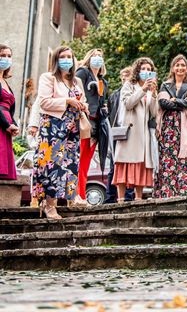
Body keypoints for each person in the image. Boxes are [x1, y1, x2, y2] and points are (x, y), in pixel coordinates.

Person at [32, 46, 88, 218]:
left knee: (71, 164)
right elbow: (44, 102)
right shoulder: (48, 78)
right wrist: (67, 101)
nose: (67, 60)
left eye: (69, 56)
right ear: (56, 60)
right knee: (52, 165)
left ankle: (71, 199)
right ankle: (49, 205)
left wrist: (82, 106)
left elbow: (83, 100)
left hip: (72, 128)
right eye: (63, 57)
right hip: (53, 127)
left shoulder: (77, 81)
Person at [113, 57, 158, 202]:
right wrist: (143, 90)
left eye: (149, 70)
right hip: (130, 132)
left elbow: (154, 112)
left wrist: (154, 94)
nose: (146, 72)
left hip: (143, 133)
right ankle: (120, 199)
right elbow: (128, 104)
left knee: (140, 164)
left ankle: (138, 199)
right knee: (124, 163)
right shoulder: (128, 85)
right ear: (137, 70)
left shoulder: (150, 90)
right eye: (143, 69)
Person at [154, 54, 187, 198]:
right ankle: (167, 192)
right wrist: (182, 102)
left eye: (183, 65)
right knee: (167, 156)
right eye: (177, 65)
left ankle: (185, 191)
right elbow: (163, 103)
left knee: (186, 158)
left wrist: (175, 101)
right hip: (168, 127)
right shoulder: (165, 85)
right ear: (173, 68)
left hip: (185, 126)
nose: (180, 68)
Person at [75, 49, 109, 203]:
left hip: (96, 125)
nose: (97, 59)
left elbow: (101, 102)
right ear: (89, 58)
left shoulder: (103, 81)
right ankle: (76, 194)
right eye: (95, 56)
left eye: (100, 56)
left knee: (86, 161)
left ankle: (81, 195)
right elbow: (75, 91)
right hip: (83, 121)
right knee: (79, 159)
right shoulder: (83, 73)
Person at [106, 67, 134, 203]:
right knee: (114, 164)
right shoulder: (114, 95)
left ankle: (129, 195)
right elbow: (111, 113)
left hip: (131, 131)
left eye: (127, 75)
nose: (124, 78)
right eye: (122, 75)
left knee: (129, 165)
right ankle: (110, 196)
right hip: (117, 132)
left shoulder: (134, 92)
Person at [0, 44, 19, 180]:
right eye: (2, 56)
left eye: (9, 56)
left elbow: (10, 109)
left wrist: (14, 124)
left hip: (6, 126)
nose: (6, 59)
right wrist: (6, 124)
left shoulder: (6, 82)